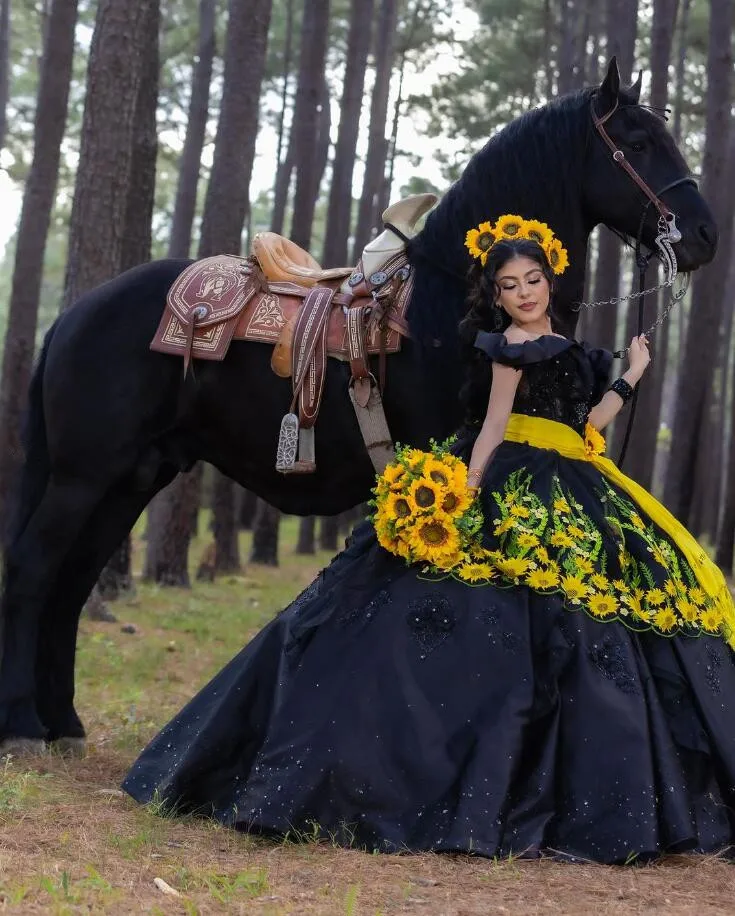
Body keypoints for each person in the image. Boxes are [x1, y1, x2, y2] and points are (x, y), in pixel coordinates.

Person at [123, 215, 735, 864]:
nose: (524, 292)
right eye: (508, 285)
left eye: (531, 280)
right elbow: (495, 426)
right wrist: (467, 492)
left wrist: (629, 375)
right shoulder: (508, 350)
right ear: (495, 297)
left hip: (577, 478)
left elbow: (586, 424)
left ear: (549, 282)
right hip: (514, 474)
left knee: (603, 615)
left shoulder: (573, 349)